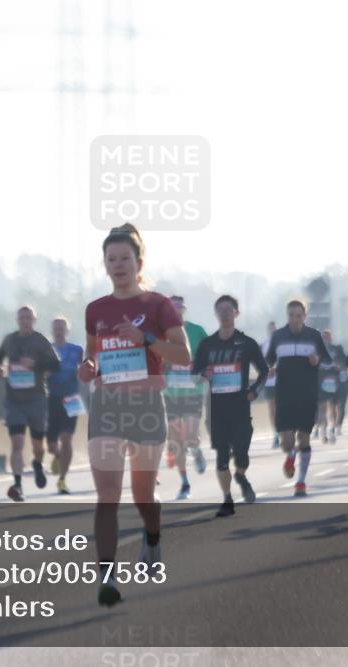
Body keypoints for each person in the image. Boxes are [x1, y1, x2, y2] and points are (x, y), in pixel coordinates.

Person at [78, 223, 189, 607]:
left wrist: (144, 339)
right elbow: (91, 354)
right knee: (107, 495)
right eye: (112, 259)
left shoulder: (158, 305)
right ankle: (106, 578)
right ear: (104, 265)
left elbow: (182, 355)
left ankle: (153, 536)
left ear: (139, 261)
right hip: (107, 405)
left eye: (125, 257)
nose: (119, 264)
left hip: (145, 404)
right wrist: (87, 367)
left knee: (143, 495)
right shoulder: (96, 309)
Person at [192, 295, 269, 517]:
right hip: (217, 409)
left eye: (229, 309)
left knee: (242, 455)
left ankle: (241, 475)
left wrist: (254, 390)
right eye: (220, 310)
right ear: (216, 314)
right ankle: (227, 499)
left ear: (237, 313)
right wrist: (202, 374)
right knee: (222, 456)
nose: (224, 313)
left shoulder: (246, 343)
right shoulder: (207, 345)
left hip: (240, 407)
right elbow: (194, 374)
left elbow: (264, 370)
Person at [265, 300, 332, 496]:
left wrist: (317, 360)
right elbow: (269, 360)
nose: (295, 319)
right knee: (287, 442)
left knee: (303, 439)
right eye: (291, 315)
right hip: (284, 394)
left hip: (307, 394)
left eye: (298, 315)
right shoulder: (278, 336)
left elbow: (328, 361)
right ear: (287, 316)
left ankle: (301, 482)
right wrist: (269, 369)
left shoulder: (313, 336)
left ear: (305, 315)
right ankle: (291, 454)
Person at [0, 306, 61, 502]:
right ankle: (17, 485)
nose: (25, 321)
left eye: (29, 318)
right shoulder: (10, 339)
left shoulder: (40, 340)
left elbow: (55, 365)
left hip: (36, 399)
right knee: (17, 443)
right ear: (17, 320)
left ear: (34, 320)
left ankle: (38, 463)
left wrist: (35, 365)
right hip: (14, 400)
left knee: (37, 445)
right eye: (22, 317)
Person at [162, 295, 208, 499]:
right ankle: (184, 483)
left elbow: (210, 353)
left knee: (189, 437)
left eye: (179, 308)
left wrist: (201, 367)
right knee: (176, 440)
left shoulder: (196, 331)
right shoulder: (160, 333)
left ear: (184, 310)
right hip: (171, 392)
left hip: (193, 391)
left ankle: (196, 450)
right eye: (172, 308)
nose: (176, 311)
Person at [46, 316, 84, 494]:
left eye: (62, 327)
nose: (59, 330)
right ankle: (58, 456)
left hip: (71, 398)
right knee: (52, 445)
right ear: (52, 331)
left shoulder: (77, 350)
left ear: (67, 330)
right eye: (56, 327)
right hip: (52, 398)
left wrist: (82, 372)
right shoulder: (46, 350)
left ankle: (62, 479)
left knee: (66, 438)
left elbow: (87, 370)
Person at [315, 330, 343, 444]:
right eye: (323, 337)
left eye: (327, 337)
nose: (325, 339)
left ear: (331, 338)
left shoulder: (337, 349)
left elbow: (344, 362)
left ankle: (333, 429)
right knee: (322, 408)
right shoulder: (316, 351)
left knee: (333, 407)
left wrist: (339, 366)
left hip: (334, 382)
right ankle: (324, 432)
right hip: (321, 382)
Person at [260, 321, 280, 448]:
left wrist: (276, 369)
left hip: (281, 381)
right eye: (270, 329)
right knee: (272, 410)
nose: (272, 332)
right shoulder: (264, 345)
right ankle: (276, 435)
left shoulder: (282, 344)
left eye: (274, 330)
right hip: (268, 382)